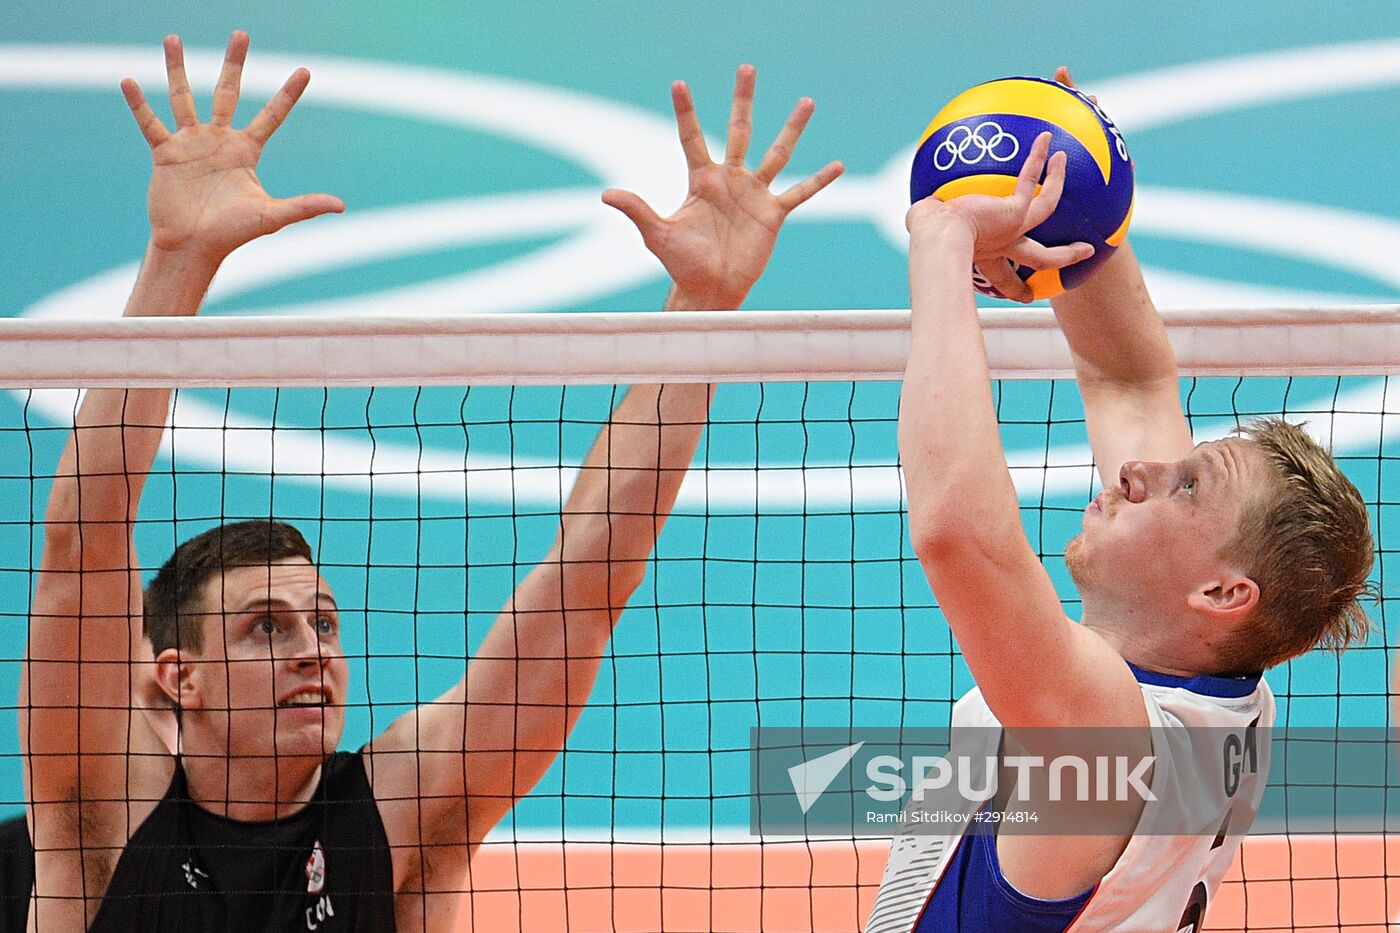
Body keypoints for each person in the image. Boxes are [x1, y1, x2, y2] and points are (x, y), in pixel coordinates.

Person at [21, 31, 841, 931]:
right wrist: (178, 259)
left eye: (322, 622)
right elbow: (84, 545)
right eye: (266, 626)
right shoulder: (106, 814)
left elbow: (586, 583)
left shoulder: (405, 812)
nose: (313, 651)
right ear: (179, 679)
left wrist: (703, 314)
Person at [865, 68, 1373, 933]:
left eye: (1185, 485)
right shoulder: (1218, 684)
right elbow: (1130, 375)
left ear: (1222, 592)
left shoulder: (1105, 734)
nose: (1138, 471)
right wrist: (1083, 202)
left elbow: (957, 531)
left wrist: (944, 241)